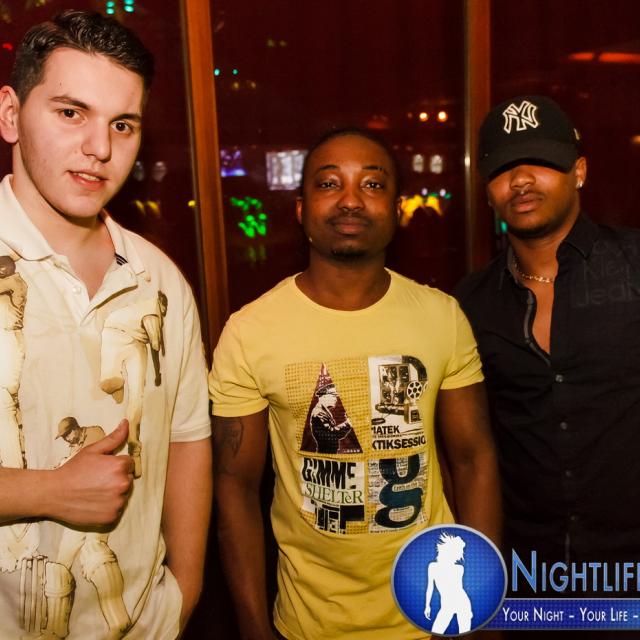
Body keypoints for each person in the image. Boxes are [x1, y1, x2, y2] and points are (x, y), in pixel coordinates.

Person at [209, 127, 500, 640]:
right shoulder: (250, 331)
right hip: (308, 623)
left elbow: (473, 460)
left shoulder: (441, 317)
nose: (350, 200)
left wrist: (479, 610)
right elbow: (235, 487)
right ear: (301, 209)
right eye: (329, 183)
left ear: (397, 207)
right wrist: (253, 627)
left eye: (371, 184)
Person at [0, 10, 211, 639]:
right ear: (10, 114)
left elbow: (187, 441)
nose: (100, 148)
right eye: (71, 112)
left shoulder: (159, 280)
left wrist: (184, 594)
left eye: (123, 124)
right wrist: (44, 492)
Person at [455, 95, 640, 609]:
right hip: (530, 580)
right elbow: (468, 451)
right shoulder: (469, 305)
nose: (520, 180)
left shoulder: (634, 267)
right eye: (503, 169)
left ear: (579, 172)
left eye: (539, 162)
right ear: (487, 191)